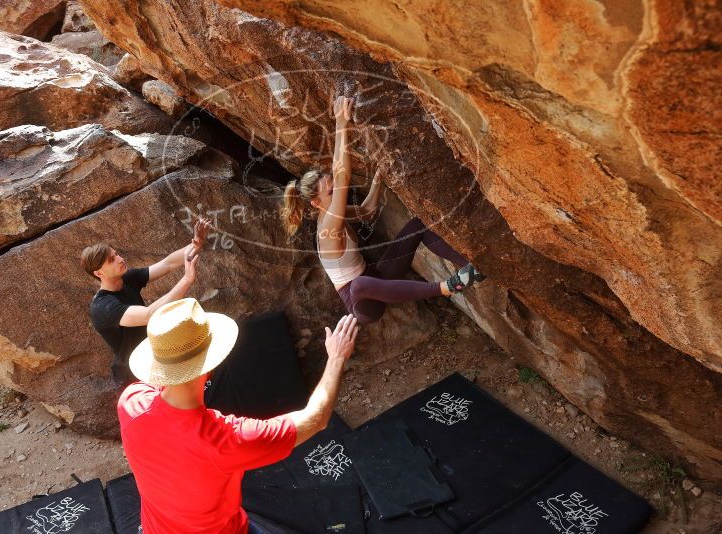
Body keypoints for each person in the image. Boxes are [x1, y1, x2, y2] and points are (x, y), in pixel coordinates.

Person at [118, 298, 359, 533]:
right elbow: (316, 418)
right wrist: (336, 358)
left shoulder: (130, 401)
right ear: (210, 366)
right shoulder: (225, 441)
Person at [281, 95, 484, 325]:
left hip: (378, 277)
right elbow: (342, 175)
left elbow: (367, 211)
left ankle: (474, 268)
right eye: (331, 192)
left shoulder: (338, 213)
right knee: (359, 284)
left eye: (334, 186)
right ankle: (446, 288)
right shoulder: (327, 228)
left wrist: (378, 178)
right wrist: (341, 124)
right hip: (362, 302)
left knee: (418, 225)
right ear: (316, 204)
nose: (337, 191)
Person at [81, 218, 211, 386]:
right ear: (99, 273)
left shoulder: (126, 279)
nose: (120, 259)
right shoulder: (103, 307)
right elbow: (149, 315)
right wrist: (186, 280)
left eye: (116, 254)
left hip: (156, 363)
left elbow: (168, 264)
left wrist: (196, 244)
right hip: (135, 378)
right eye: (112, 260)